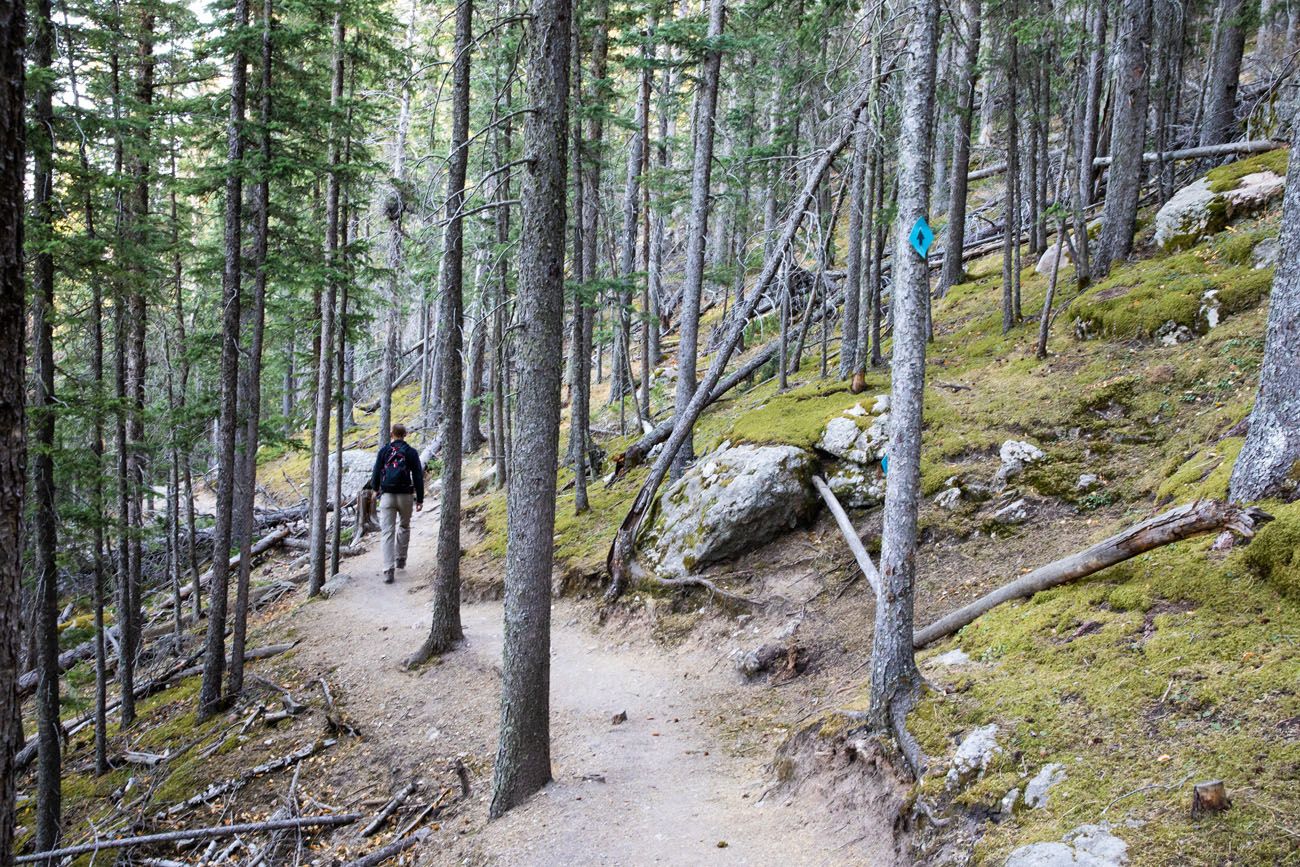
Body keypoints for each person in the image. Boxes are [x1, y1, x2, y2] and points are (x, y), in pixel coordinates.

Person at [370, 423, 424, 583]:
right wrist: (419, 498)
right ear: (405, 434)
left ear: (391, 434)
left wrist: (375, 489)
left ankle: (388, 569)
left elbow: (376, 471)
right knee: (404, 526)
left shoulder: (384, 451)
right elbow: (418, 476)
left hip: (387, 495)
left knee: (387, 532)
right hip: (406, 496)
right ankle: (400, 559)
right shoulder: (411, 452)